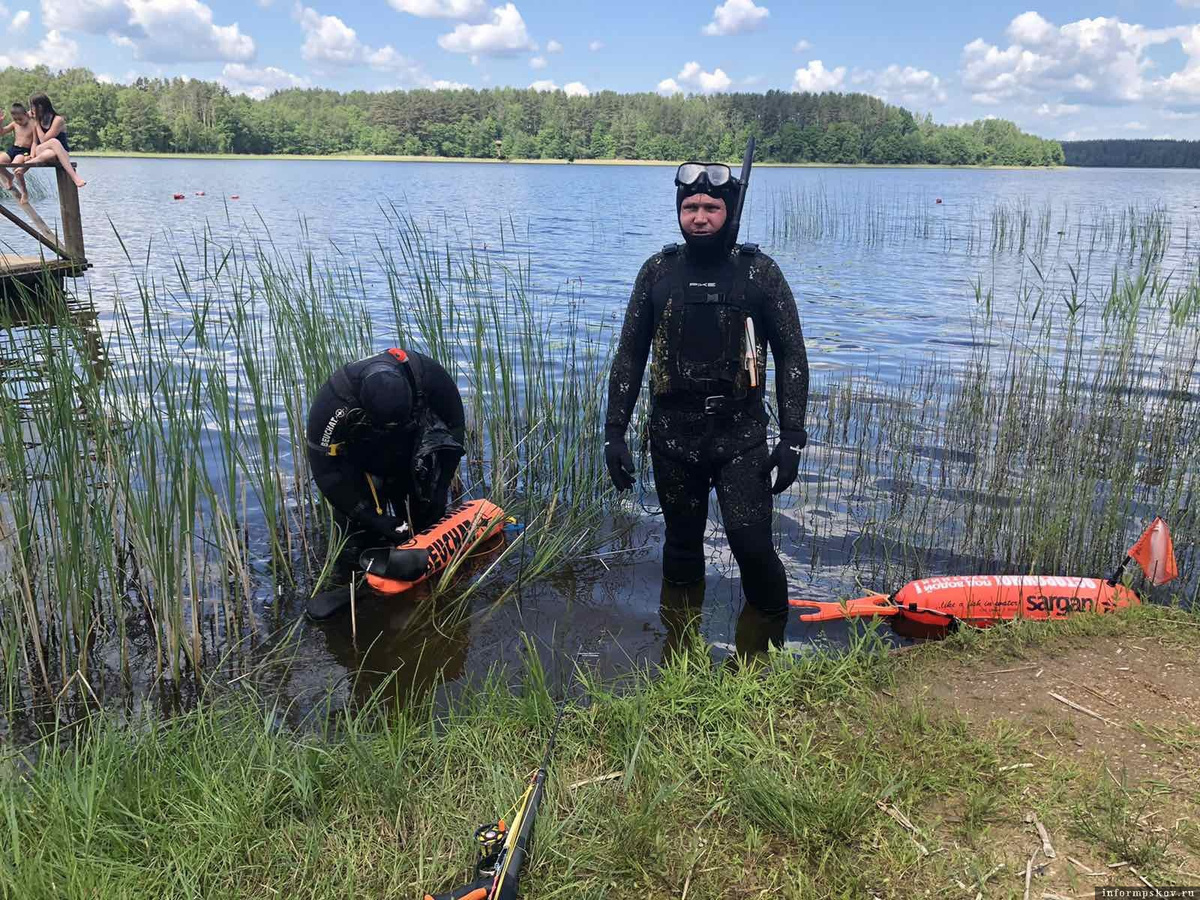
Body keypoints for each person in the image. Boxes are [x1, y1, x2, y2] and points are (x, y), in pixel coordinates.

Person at [604, 155, 809, 646]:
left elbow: (792, 356)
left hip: (741, 437)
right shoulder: (657, 271)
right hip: (673, 437)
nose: (699, 216)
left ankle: (762, 661)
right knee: (679, 548)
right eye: (690, 206)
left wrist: (793, 438)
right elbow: (629, 356)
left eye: (711, 207)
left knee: (753, 546)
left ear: (729, 210)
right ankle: (679, 657)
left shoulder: (760, 274)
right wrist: (614, 431)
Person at [305, 347, 466, 574]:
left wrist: (440, 487)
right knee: (358, 539)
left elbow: (455, 429)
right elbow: (325, 473)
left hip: (410, 454)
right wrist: (370, 517)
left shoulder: (424, 373)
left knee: (426, 518)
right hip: (360, 463)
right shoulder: (334, 400)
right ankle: (359, 584)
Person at [13, 92, 86, 198]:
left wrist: (37, 123)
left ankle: (27, 165)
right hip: (41, 151)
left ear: (41, 106)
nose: (31, 108)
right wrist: (31, 154)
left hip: (60, 155)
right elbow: (36, 141)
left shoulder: (58, 120)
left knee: (54, 143)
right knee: (54, 143)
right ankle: (75, 178)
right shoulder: (35, 118)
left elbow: (45, 139)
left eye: (33, 106)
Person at [0, 102, 36, 199]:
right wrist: (1, 121)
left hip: (24, 151)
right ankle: (9, 177)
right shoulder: (14, 124)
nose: (18, 121)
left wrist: (31, 156)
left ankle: (24, 192)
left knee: (16, 167)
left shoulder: (33, 124)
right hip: (14, 148)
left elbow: (34, 142)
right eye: (15, 119)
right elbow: (2, 132)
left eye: (20, 119)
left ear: (26, 115)